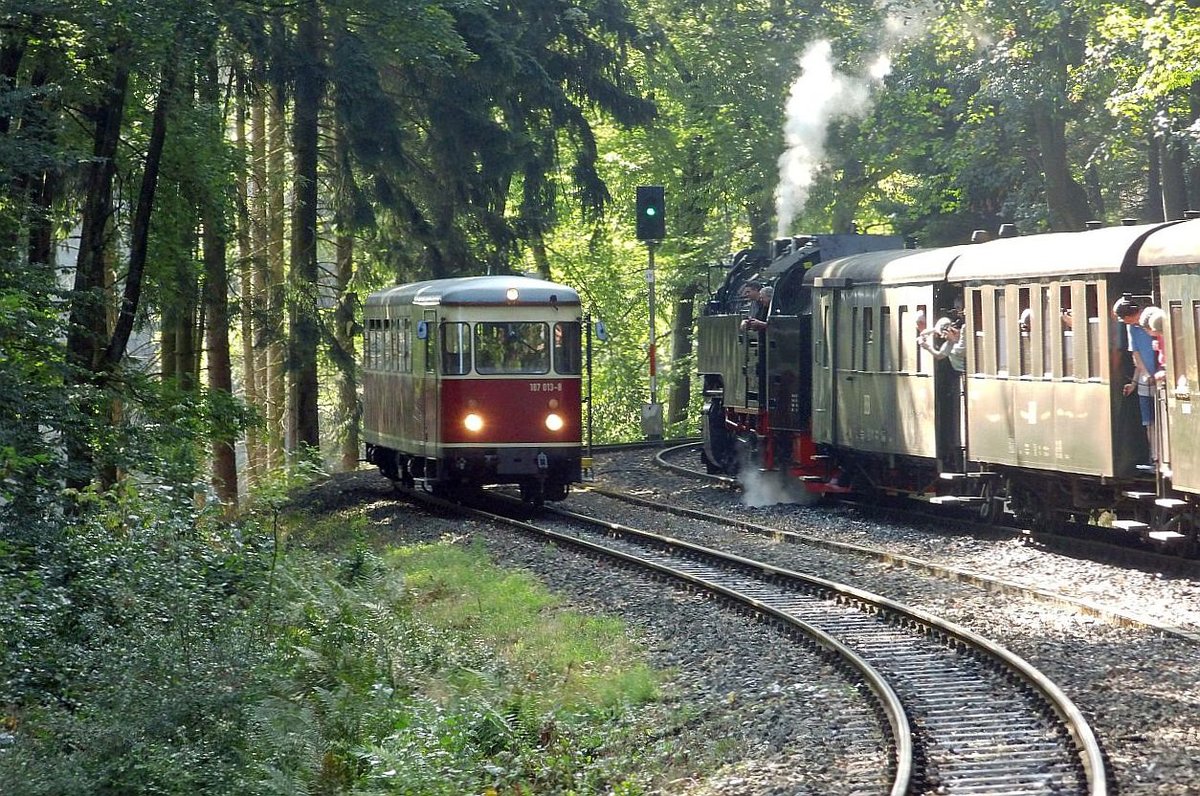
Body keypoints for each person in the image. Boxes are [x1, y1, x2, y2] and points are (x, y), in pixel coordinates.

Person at [1113, 296, 1158, 467]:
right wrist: (1137, 380)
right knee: (1148, 420)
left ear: (1131, 315)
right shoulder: (1131, 329)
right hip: (1146, 378)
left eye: (1124, 318)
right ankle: (1154, 456)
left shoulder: (1150, 322)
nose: (1124, 322)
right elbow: (1136, 354)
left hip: (1160, 377)